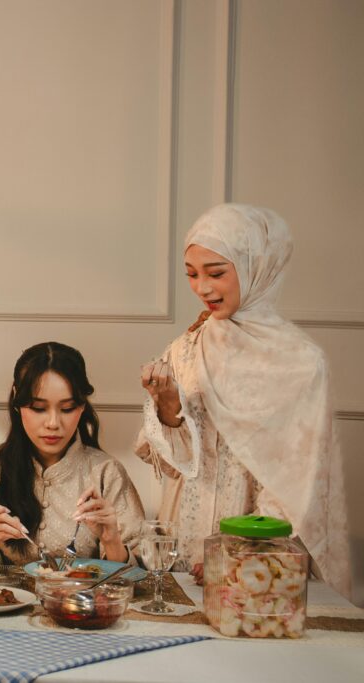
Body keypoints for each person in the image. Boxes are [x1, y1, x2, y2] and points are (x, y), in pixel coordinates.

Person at [137, 203, 350, 596]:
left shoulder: (301, 362)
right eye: (192, 274)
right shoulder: (185, 349)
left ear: (257, 267)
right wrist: (168, 409)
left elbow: (300, 480)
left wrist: (234, 553)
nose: (202, 288)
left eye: (216, 273)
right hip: (182, 545)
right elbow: (172, 467)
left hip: (259, 558)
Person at [0, 342, 145, 565]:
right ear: (17, 401)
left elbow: (141, 572)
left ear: (82, 406)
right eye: (38, 408)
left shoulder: (106, 472)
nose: (53, 423)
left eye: (67, 408)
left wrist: (112, 542)